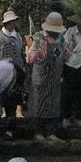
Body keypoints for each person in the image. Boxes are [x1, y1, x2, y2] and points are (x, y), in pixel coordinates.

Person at [26, 12, 66, 142]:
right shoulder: (38, 38)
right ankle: (38, 132)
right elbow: (30, 59)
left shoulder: (61, 38)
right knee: (40, 105)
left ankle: (51, 132)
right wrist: (36, 52)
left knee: (53, 104)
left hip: (55, 78)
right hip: (41, 79)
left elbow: (66, 54)